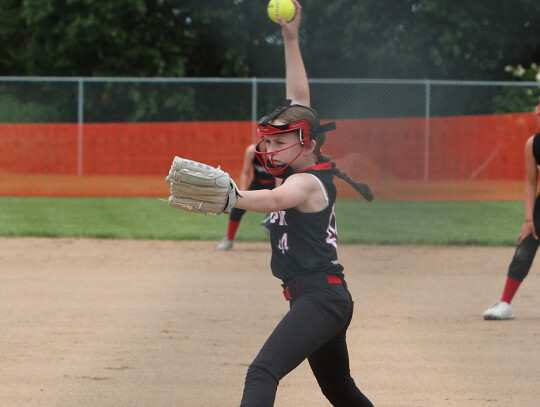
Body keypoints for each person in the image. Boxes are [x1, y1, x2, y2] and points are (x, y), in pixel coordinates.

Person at [233, 2, 374, 405]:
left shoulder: (308, 181)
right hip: (317, 297)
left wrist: (231, 197)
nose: (270, 149)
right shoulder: (300, 166)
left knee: (262, 371)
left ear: (307, 144)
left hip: (321, 299)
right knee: (339, 390)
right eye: (268, 142)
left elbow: (277, 198)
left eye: (280, 142)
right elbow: (298, 99)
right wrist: (290, 37)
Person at [483, 102, 540, 320]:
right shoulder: (533, 144)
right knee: (524, 248)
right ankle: (505, 303)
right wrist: (528, 219)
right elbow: (530, 183)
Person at [216, 142, 278, 250]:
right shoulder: (252, 151)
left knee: (282, 210)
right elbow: (245, 173)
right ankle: (229, 239)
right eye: (264, 137)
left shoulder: (276, 153)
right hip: (257, 183)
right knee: (238, 206)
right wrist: (243, 193)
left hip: (273, 185)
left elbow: (279, 176)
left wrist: (278, 194)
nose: (266, 141)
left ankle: (281, 243)